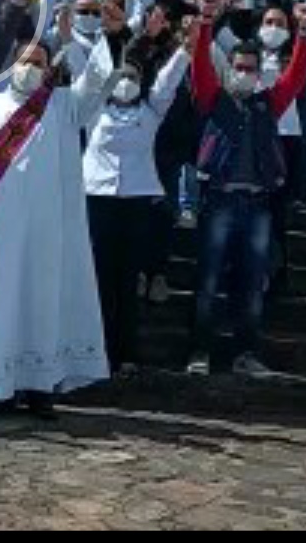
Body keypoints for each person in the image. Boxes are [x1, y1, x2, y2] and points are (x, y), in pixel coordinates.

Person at [0, 34, 113, 420]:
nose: (30, 69)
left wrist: (87, 36)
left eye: (38, 62)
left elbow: (97, 81)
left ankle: (40, 386)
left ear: (49, 69)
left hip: (47, 231)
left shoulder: (63, 106)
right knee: (1, 303)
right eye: (24, 61)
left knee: (42, 302)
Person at [184, 3, 306, 378]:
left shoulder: (267, 105)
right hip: (219, 200)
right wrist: (206, 25)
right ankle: (199, 351)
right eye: (237, 68)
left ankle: (247, 353)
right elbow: (201, 68)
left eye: (249, 70)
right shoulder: (214, 100)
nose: (243, 74)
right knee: (208, 280)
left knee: (253, 283)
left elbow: (296, 76)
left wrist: (304, 33)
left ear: (259, 74)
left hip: (258, 203)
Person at [83, 28, 191, 375]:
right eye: (121, 76)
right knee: (99, 278)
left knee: (128, 279)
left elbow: (168, 80)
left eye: (133, 76)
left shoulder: (151, 109)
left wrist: (186, 49)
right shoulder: (94, 109)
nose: (126, 82)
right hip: (98, 198)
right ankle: (95, 348)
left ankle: (125, 349)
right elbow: (83, 67)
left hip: (137, 200)